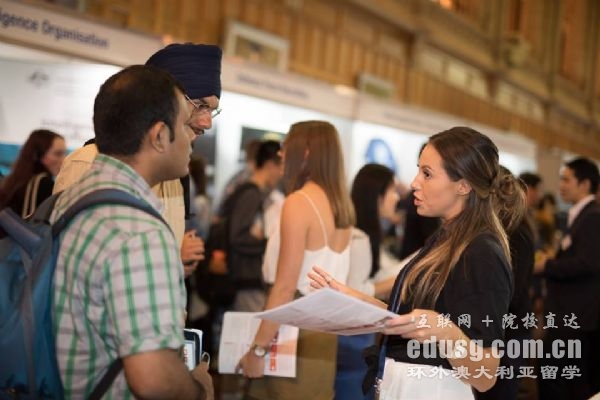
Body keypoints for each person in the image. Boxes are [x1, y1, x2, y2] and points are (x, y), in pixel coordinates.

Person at [310, 126, 521, 400]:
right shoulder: (445, 239)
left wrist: (444, 331)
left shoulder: (482, 252)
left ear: (463, 185)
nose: (414, 183)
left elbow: (486, 374)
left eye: (427, 174)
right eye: (418, 171)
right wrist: (353, 298)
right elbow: (409, 319)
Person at [50, 65, 213, 399]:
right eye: (185, 125)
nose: (192, 138)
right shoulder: (140, 233)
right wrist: (198, 389)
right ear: (159, 136)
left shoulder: (73, 198)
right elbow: (154, 380)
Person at [53, 43, 223, 277]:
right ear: (164, 103)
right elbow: (67, 267)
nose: (207, 123)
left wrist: (175, 266)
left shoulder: (175, 177)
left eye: (212, 110)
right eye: (200, 105)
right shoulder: (87, 163)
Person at [237, 121, 355, 400]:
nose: (281, 154)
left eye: (287, 146)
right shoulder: (342, 207)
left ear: (306, 152)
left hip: (291, 329)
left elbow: (284, 288)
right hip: (323, 334)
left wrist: (258, 349)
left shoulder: (299, 202)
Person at [535, 157, 600, 400]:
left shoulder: (592, 216)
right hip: (569, 313)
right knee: (561, 379)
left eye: (566, 180)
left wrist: (547, 265)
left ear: (585, 184)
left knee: (558, 379)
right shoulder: (581, 215)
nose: (560, 185)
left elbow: (587, 263)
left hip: (574, 315)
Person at [336, 163, 400, 400]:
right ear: (377, 195)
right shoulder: (360, 237)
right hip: (353, 337)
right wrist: (397, 282)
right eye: (392, 190)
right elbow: (355, 290)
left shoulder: (357, 232)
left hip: (350, 334)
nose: (396, 197)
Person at [476, 166, 532, 400]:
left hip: (509, 333)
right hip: (497, 332)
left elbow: (510, 294)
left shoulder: (515, 233)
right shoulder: (493, 231)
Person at [228, 140, 282, 313]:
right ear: (270, 165)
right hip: (246, 278)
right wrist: (267, 244)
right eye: (280, 167)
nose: (281, 174)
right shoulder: (251, 194)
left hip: (245, 278)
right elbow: (238, 236)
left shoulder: (250, 191)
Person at [0, 129, 66, 216]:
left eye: (64, 153)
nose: (64, 159)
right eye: (58, 154)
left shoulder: (18, 180)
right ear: (37, 155)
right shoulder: (41, 183)